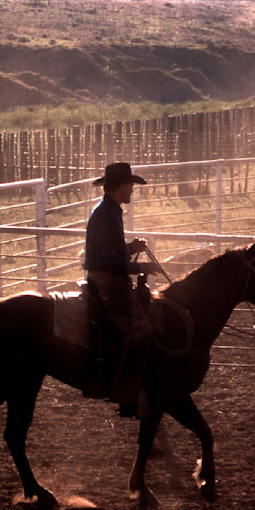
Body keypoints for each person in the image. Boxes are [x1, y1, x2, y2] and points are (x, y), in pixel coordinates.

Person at [84, 162, 163, 418]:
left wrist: (130, 248)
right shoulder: (107, 215)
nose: (132, 190)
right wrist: (141, 267)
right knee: (141, 329)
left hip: (106, 275)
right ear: (120, 186)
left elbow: (110, 253)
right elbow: (110, 262)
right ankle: (125, 394)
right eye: (130, 185)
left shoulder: (108, 211)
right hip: (108, 281)